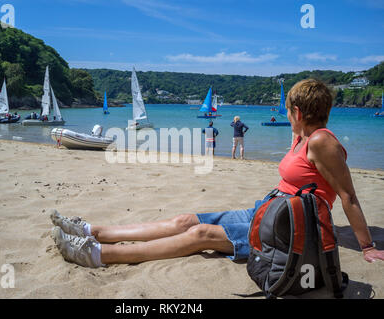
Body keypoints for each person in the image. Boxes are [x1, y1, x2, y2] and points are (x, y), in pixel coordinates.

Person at [49, 79, 384, 268]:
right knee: (185, 221)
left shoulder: (323, 141)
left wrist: (366, 246)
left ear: (296, 111)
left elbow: (347, 195)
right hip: (268, 210)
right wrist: (297, 131)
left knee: (200, 237)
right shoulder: (304, 137)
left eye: (289, 111)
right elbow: (303, 170)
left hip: (288, 228)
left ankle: (96, 253)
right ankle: (94, 229)